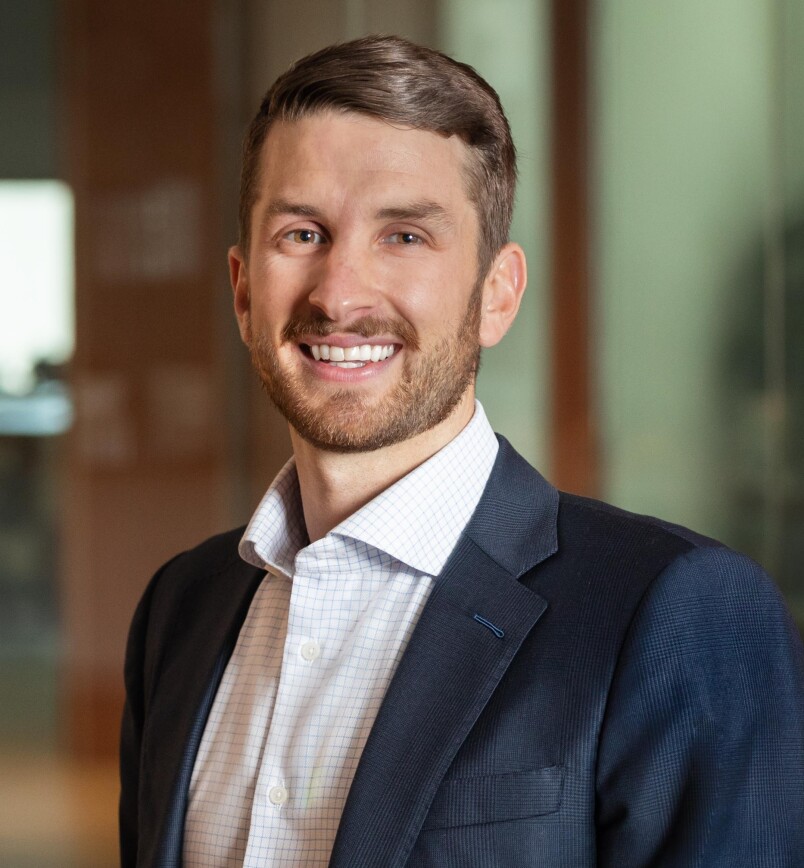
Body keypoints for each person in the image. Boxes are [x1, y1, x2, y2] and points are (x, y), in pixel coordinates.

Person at [119, 35, 804, 868]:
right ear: (240, 291)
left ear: (497, 295)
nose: (339, 294)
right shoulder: (181, 610)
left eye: (404, 236)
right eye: (302, 234)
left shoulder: (677, 615)